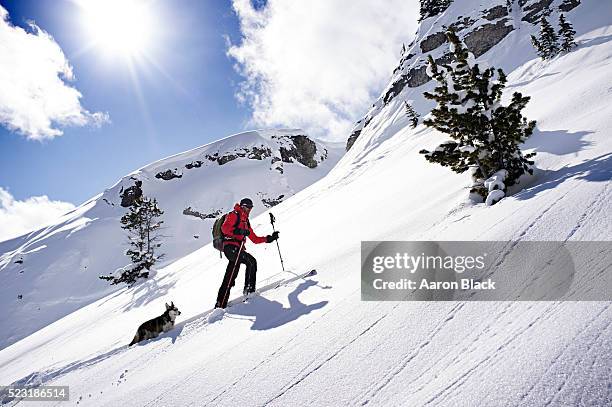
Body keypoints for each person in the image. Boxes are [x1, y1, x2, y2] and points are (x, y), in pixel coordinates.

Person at [215, 198, 279, 308]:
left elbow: (254, 239)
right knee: (251, 262)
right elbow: (225, 228)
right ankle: (249, 290)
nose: (249, 210)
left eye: (251, 208)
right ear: (242, 206)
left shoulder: (246, 222)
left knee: (231, 275)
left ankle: (221, 303)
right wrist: (238, 231)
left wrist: (269, 238)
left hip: (238, 249)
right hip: (230, 247)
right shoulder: (234, 215)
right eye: (247, 207)